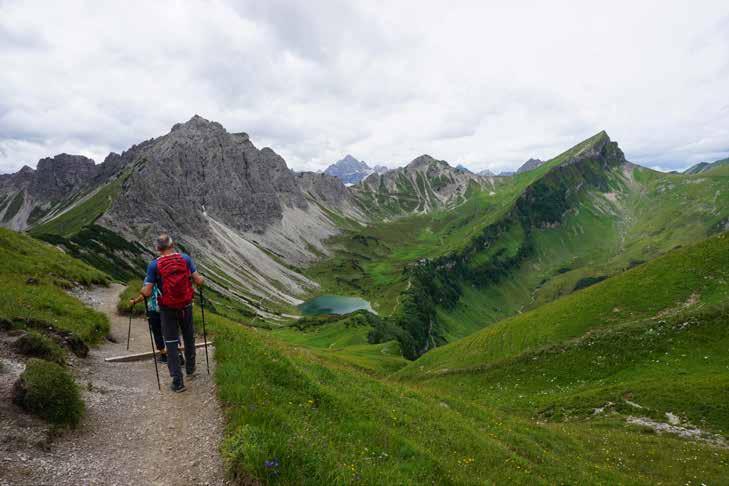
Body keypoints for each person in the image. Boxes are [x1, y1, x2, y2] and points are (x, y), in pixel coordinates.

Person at [134, 234, 204, 393]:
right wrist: (202, 280)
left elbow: (147, 291)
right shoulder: (185, 259)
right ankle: (191, 369)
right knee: (188, 336)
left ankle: (178, 382)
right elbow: (198, 280)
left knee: (171, 342)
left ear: (158, 248)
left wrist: (143, 290)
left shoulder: (154, 265)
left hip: (167, 309)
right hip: (186, 306)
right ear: (172, 245)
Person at [128, 283, 183, 365]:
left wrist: (134, 301)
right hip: (169, 308)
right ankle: (177, 353)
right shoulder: (169, 275)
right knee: (171, 331)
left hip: (154, 310)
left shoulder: (150, 278)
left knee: (157, 332)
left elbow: (144, 295)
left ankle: (164, 356)